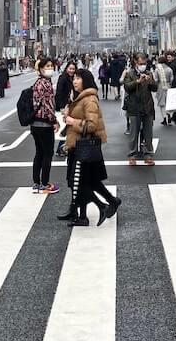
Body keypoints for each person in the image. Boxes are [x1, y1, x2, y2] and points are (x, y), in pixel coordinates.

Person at [59, 68, 120, 227]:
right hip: (76, 145)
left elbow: (92, 125)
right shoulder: (79, 98)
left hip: (84, 147)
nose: (75, 81)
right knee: (84, 182)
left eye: (78, 78)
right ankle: (81, 213)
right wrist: (68, 117)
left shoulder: (89, 99)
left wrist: (73, 122)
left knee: (79, 183)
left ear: (85, 81)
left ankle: (102, 206)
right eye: (74, 78)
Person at [31, 57, 60, 194]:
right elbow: (48, 106)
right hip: (44, 124)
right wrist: (54, 120)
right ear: (41, 69)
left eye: (51, 66)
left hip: (34, 123)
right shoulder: (46, 84)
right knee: (48, 153)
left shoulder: (37, 83)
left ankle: (36, 183)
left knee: (39, 153)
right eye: (47, 66)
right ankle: (45, 183)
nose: (50, 68)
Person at [123, 54, 158, 166]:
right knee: (133, 133)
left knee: (148, 133)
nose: (143, 66)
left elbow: (155, 88)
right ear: (135, 63)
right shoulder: (130, 74)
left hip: (147, 107)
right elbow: (127, 87)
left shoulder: (149, 73)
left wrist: (150, 81)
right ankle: (132, 155)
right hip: (134, 108)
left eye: (144, 63)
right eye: (141, 63)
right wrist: (137, 81)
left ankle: (148, 155)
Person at [54, 60, 77, 159]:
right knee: (66, 128)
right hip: (64, 107)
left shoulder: (73, 78)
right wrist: (62, 107)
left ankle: (64, 148)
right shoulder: (63, 78)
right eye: (70, 68)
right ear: (66, 68)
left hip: (70, 106)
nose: (71, 70)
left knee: (68, 128)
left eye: (73, 69)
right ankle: (61, 148)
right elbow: (59, 93)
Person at [154, 55, 174, 126]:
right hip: (168, 86)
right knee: (169, 103)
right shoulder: (169, 69)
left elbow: (156, 80)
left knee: (162, 104)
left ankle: (164, 119)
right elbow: (172, 79)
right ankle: (170, 116)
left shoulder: (157, 70)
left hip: (160, 87)